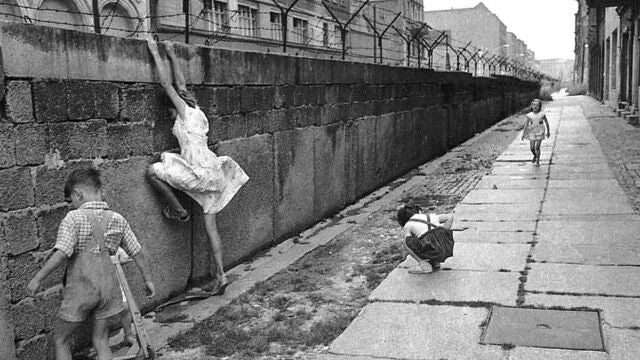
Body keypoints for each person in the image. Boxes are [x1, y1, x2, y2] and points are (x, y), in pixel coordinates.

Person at [146, 39, 249, 295]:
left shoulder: (182, 112)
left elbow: (167, 85)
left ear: (175, 107)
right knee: (210, 227)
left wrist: (154, 52)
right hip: (214, 173)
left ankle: (178, 210)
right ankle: (221, 274)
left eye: (170, 112)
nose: (171, 117)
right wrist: (171, 52)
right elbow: (181, 85)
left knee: (153, 171)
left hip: (197, 173)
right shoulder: (197, 111)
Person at [26, 168, 155, 360]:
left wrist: (38, 278)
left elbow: (62, 252)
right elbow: (137, 251)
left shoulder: (73, 218)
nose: (72, 204)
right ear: (100, 191)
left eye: (71, 199)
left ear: (77, 194)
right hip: (108, 288)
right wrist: (148, 280)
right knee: (101, 339)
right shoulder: (117, 219)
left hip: (83, 287)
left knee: (61, 339)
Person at [396, 204, 455, 274]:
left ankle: (424, 265)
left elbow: (408, 241)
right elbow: (449, 217)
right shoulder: (431, 216)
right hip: (445, 248)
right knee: (429, 241)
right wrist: (443, 233)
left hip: (431, 250)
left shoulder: (408, 225)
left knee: (406, 243)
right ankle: (434, 262)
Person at [111, 248, 135, 346]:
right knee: (101, 315)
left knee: (125, 307)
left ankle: (128, 335)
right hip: (98, 284)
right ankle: (101, 345)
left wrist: (119, 259)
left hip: (116, 282)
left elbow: (125, 256)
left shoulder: (112, 245)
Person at [521, 98, 550, 166]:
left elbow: (546, 123)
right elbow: (526, 125)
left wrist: (548, 131)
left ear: (540, 107)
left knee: (537, 147)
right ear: (531, 106)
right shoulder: (529, 115)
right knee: (532, 148)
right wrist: (523, 134)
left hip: (540, 131)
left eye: (537, 105)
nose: (535, 106)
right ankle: (535, 155)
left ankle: (537, 162)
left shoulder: (542, 114)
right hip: (532, 131)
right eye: (533, 105)